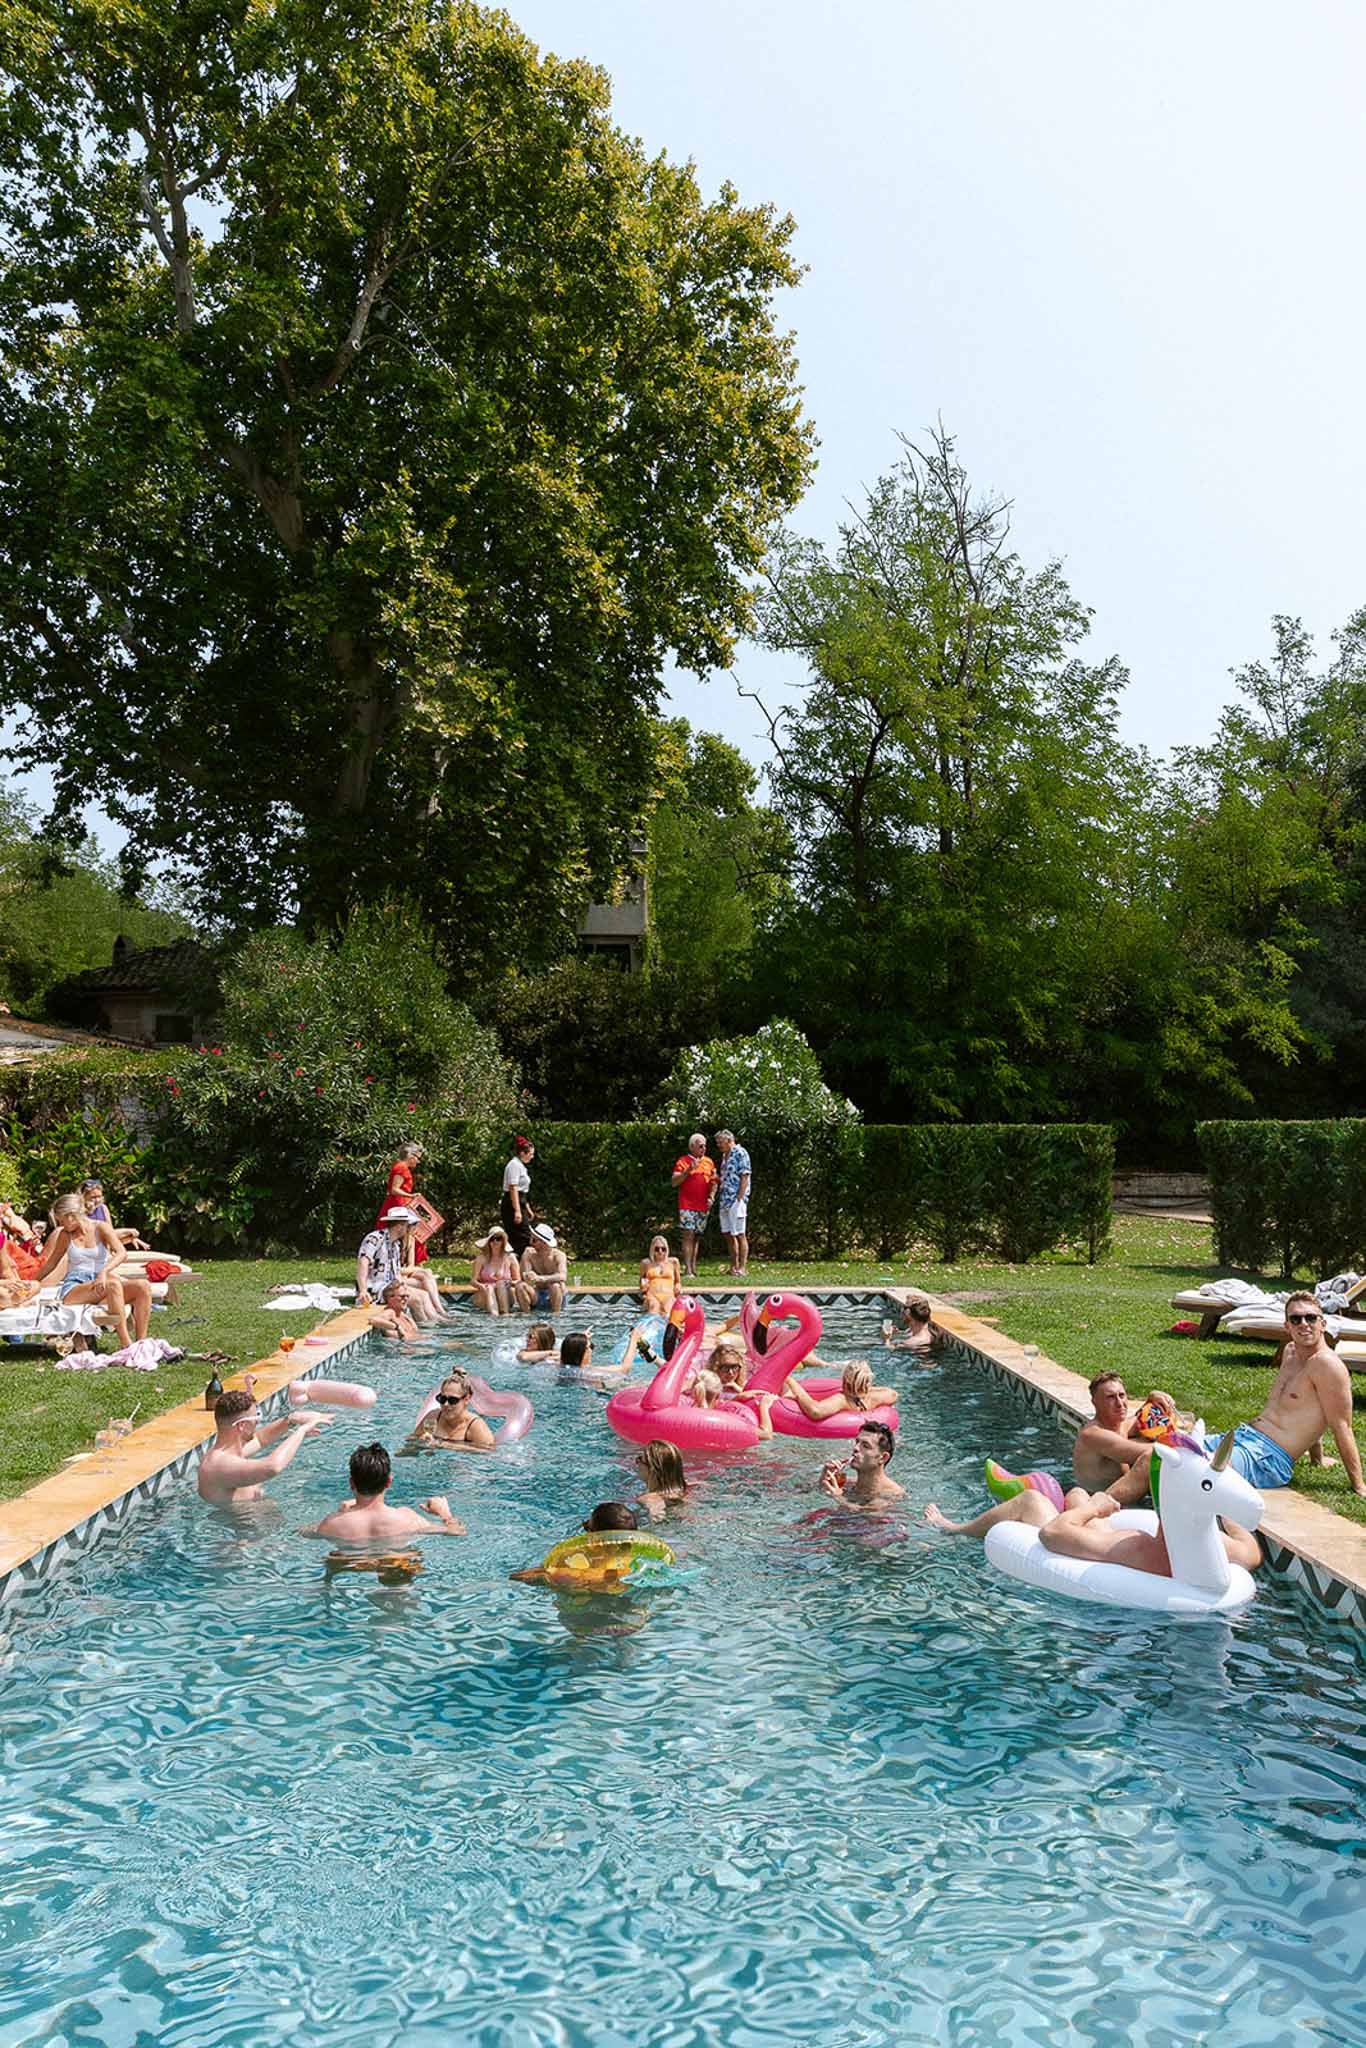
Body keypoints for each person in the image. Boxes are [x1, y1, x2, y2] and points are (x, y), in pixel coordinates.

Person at [923, 1483, 1263, 1575]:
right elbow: (1252, 1553)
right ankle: (1079, 1499)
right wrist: (1224, 1512)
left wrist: (1094, 1510)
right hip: (1106, 1536)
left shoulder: (1139, 1549)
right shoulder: (1216, 1552)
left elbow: (1051, 1535)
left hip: (1090, 1549)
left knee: (1031, 1499)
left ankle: (955, 1529)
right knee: (1077, 1494)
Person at [33, 1192, 154, 1351]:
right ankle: (126, 1345)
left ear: (71, 1216)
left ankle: (141, 1345)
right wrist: (33, 1281)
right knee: (113, 1284)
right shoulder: (65, 1234)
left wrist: (103, 1271)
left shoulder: (100, 1228)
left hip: (101, 1283)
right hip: (76, 1287)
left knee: (143, 1286)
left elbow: (121, 1253)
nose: (60, 1224)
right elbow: (52, 1263)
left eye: (61, 1220)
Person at [304, 1442, 466, 1541]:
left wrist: (342, 1512)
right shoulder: (407, 1518)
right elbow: (457, 1532)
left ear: (351, 1483)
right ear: (389, 1482)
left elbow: (303, 1532)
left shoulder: (331, 1523)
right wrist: (445, 1514)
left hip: (351, 1564)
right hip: (393, 1564)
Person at [197, 1389, 331, 1503]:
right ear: (241, 1425)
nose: (257, 1423)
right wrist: (301, 1431)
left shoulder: (225, 1451)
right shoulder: (219, 1465)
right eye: (256, 1419)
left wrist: (291, 1420)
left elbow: (260, 1439)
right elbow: (273, 1467)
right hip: (248, 1529)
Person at [1072, 1374, 1179, 1491]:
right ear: (1095, 1402)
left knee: (1146, 1438)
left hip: (1121, 1498)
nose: (1119, 1403)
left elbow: (1140, 1418)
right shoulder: (1093, 1434)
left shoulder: (1120, 1425)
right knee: (1150, 1457)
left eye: (1121, 1395)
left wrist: (1152, 1398)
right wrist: (1182, 1441)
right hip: (1095, 1501)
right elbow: (1149, 1452)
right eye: (1110, 1397)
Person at [819, 1421, 905, 1508]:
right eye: (857, 1442)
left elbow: (869, 1515)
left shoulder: (892, 1494)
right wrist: (824, 1478)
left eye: (865, 1446)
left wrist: (840, 1498)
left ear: (883, 1458)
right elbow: (811, 1490)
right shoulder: (849, 1484)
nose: (855, 1448)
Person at [782, 1360, 897, 1425]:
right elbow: (893, 1394)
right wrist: (864, 1389)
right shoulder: (874, 1398)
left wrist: (791, 1381)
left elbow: (815, 1411)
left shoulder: (842, 1400)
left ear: (845, 1379)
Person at [411, 1372, 496, 1451]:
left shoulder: (476, 1426)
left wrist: (444, 1444)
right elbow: (411, 1440)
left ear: (466, 1399)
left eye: (452, 1400)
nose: (446, 1404)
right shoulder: (433, 1417)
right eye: (442, 1399)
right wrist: (419, 1441)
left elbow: (488, 1451)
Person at [671, 1134, 717, 1280]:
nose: (704, 1148)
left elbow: (714, 1181)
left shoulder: (709, 1162)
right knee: (688, 1234)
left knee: (696, 1237)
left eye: (705, 1145)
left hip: (702, 1205)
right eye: (700, 1146)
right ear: (691, 1147)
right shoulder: (683, 1161)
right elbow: (674, 1182)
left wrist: (711, 1196)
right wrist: (688, 1171)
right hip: (687, 1204)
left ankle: (693, 1268)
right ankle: (688, 1270)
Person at [356, 1206, 417, 1310]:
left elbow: (396, 1273)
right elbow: (363, 1263)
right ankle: (430, 1323)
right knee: (418, 1298)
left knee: (423, 1295)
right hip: (374, 1290)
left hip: (389, 1286)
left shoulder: (395, 1245)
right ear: (399, 1226)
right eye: (407, 1225)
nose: (408, 1229)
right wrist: (363, 1290)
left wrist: (402, 1285)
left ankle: (436, 1321)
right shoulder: (375, 1238)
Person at [376, 1144, 427, 1263]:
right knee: (407, 1235)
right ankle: (406, 1264)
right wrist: (411, 1195)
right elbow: (394, 1189)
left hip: (401, 1204)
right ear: (410, 1156)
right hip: (397, 1205)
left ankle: (410, 1265)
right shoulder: (401, 1168)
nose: (418, 1161)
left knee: (412, 1235)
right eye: (418, 1158)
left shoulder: (402, 1167)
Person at [715, 1130, 752, 1277]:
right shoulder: (725, 1156)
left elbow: (745, 1175)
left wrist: (740, 1198)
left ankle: (742, 1267)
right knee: (728, 1233)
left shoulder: (740, 1153)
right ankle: (733, 1266)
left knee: (739, 1233)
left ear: (729, 1140)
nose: (718, 1145)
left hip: (736, 1200)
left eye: (720, 1142)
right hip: (725, 1199)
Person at [81, 1178, 149, 1250]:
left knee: (130, 1234)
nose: (97, 1200)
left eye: (99, 1196)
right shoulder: (79, 1210)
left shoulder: (103, 1208)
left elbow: (110, 1233)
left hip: (102, 1246)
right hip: (88, 1245)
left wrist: (128, 1238)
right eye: (93, 1197)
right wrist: (127, 1231)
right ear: (84, 1196)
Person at [519, 1222, 566, 1315]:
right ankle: (526, 1317)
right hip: (537, 1295)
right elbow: (525, 1277)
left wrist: (541, 1278)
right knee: (520, 1286)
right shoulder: (530, 1254)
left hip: (556, 1296)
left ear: (544, 1242)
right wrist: (524, 1258)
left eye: (534, 1240)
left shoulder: (558, 1255)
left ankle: (556, 1316)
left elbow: (563, 1276)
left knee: (555, 1285)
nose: (530, 1242)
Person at [471, 1227, 521, 1315]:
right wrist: (482, 1286)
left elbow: (518, 1280)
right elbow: (473, 1281)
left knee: (501, 1284)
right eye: (492, 1239)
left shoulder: (510, 1258)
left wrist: (509, 1283)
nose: (495, 1242)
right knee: (489, 1288)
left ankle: (505, 1314)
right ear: (488, 1242)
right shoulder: (481, 1258)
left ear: (503, 1241)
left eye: (498, 1239)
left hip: (505, 1293)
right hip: (486, 1293)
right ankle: (494, 1317)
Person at [500, 1136, 536, 1257]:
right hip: (512, 1203)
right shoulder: (514, 1165)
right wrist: (517, 1211)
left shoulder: (521, 1166)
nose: (532, 1157)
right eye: (530, 1154)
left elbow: (523, 1190)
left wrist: (527, 1208)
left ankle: (522, 1265)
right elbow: (513, 1188)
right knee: (521, 1235)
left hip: (520, 1201)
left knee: (524, 1234)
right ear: (522, 1153)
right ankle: (519, 1266)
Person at [635, 1440, 689, 1517]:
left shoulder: (647, 1498)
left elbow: (656, 1511)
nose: (637, 1462)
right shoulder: (685, 1489)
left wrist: (655, 1512)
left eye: (640, 1459)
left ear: (653, 1470)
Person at [639, 1234, 682, 1316]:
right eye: (657, 1249)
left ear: (667, 1249)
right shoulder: (645, 1263)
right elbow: (642, 1280)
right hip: (652, 1295)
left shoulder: (673, 1262)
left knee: (668, 1310)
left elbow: (678, 1282)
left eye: (663, 1249)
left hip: (668, 1295)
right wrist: (643, 1287)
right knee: (653, 1309)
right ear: (652, 1250)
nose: (660, 1251)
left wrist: (678, 1286)